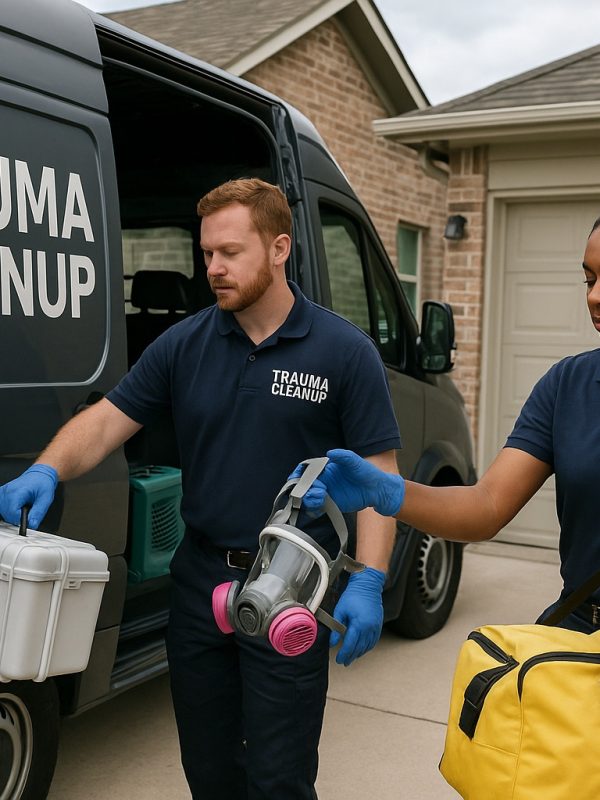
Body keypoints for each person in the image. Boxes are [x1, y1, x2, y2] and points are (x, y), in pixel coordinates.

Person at [0, 178, 400, 800]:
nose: (212, 267)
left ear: (278, 248)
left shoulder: (344, 353)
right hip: (199, 586)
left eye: (230, 252)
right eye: (207, 251)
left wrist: (371, 579)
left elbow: (381, 479)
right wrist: (47, 467)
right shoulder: (185, 345)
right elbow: (107, 421)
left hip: (291, 588)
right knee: (209, 771)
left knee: (279, 780)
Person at [297, 216, 600, 636]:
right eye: (589, 280)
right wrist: (390, 492)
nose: (595, 298)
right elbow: (487, 506)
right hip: (581, 638)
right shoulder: (568, 386)